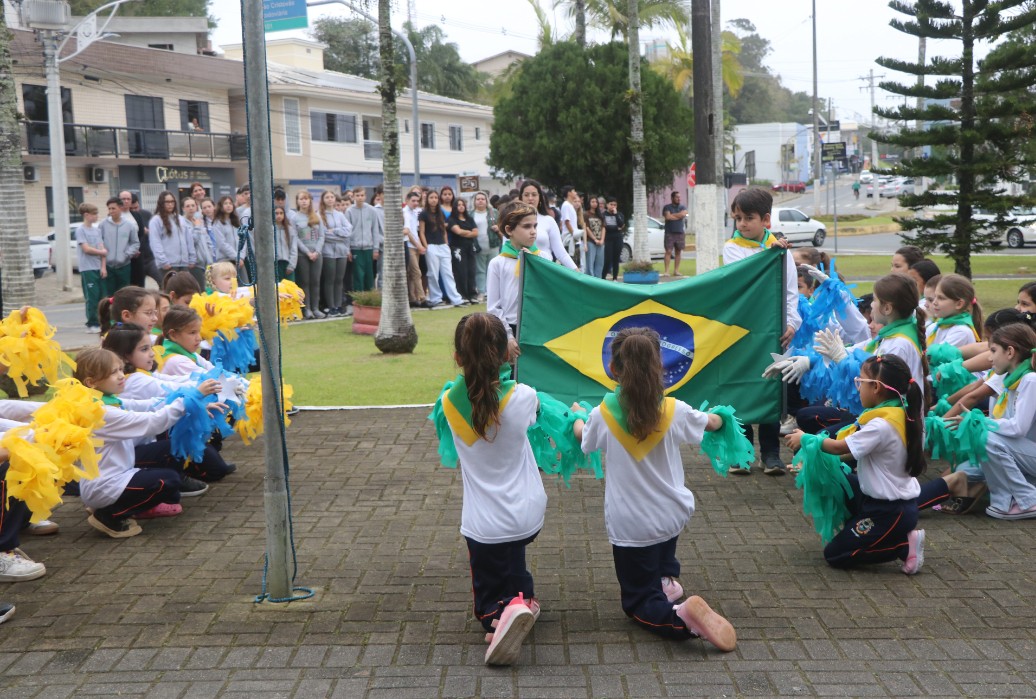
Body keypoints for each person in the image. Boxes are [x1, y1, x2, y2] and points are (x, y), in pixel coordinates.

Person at [574, 327, 737, 651]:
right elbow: (712, 423)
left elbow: (584, 438)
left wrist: (576, 417)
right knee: (660, 545)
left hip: (633, 524)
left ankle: (680, 618)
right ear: (658, 366)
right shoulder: (675, 409)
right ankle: (665, 579)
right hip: (671, 513)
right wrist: (719, 416)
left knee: (636, 602)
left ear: (614, 369)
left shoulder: (602, 415)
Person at [440, 313, 547, 666]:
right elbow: (514, 399)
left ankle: (497, 618)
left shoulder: (447, 404)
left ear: (457, 357)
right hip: (526, 518)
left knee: (487, 592)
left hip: (483, 526)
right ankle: (521, 600)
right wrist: (509, 359)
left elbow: (476, 394)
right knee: (514, 562)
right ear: (506, 353)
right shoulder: (526, 396)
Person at [785, 354, 927, 574]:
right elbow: (849, 453)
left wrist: (806, 440)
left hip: (890, 510)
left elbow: (840, 448)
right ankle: (866, 528)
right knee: (838, 479)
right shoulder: (896, 413)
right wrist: (812, 463)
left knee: (835, 555)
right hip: (878, 500)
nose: (857, 387)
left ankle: (903, 545)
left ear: (877, 388)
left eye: (860, 382)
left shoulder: (880, 425)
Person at [74, 348, 209, 537]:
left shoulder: (111, 402)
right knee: (167, 482)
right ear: (91, 382)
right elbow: (152, 422)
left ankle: (119, 506)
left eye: (121, 369)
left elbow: (153, 404)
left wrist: (196, 402)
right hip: (105, 486)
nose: (122, 376)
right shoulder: (101, 413)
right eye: (114, 373)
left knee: (171, 472)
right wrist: (193, 397)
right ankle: (109, 514)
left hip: (116, 476)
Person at [722, 188, 800, 475]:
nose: (742, 224)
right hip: (742, 332)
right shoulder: (732, 247)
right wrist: (769, 255)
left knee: (770, 390)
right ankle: (741, 454)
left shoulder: (782, 253)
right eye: (738, 218)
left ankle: (771, 454)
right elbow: (743, 277)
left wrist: (792, 323)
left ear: (766, 219)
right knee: (742, 390)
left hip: (773, 332)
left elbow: (791, 292)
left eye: (749, 218)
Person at [487, 201, 546, 360]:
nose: (533, 232)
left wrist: (533, 262)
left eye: (535, 226)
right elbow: (493, 307)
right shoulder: (498, 264)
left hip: (538, 328)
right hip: (509, 329)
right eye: (527, 227)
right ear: (509, 230)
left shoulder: (542, 258)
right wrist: (508, 336)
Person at [419, 190, 465, 308]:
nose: (434, 200)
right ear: (427, 200)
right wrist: (426, 246)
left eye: (435, 197)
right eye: (431, 197)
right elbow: (422, 232)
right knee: (433, 273)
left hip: (443, 246)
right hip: (431, 246)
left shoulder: (441, 213)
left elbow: (443, 230)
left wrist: (446, 244)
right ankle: (435, 298)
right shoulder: (423, 214)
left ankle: (456, 299)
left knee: (448, 273)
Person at [519, 180, 578, 270]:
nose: (530, 198)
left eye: (534, 195)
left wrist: (576, 271)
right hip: (521, 272)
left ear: (540, 197)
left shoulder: (549, 221)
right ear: (521, 197)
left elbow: (560, 253)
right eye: (526, 195)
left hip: (545, 271)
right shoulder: (513, 222)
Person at [318, 190, 352, 316]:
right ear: (323, 199)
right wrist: (340, 235)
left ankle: (338, 305)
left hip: (341, 251)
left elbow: (348, 230)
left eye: (332, 197)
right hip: (328, 252)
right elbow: (324, 235)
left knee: (339, 279)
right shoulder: (320, 215)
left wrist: (335, 231)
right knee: (330, 279)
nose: (330, 199)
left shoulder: (340, 215)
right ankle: (330, 306)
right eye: (327, 197)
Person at [344, 186, 383, 293]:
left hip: (369, 247)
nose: (360, 198)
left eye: (362, 195)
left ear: (365, 196)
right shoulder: (349, 211)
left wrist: (375, 249)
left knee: (369, 275)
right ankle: (358, 299)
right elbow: (347, 232)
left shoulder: (371, 210)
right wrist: (348, 250)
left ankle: (369, 298)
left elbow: (375, 230)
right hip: (355, 247)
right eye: (357, 195)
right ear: (353, 197)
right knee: (358, 275)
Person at [75, 202, 106, 332]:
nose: (96, 216)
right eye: (94, 214)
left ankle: (101, 322)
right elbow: (86, 249)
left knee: (102, 296)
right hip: (87, 268)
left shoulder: (97, 230)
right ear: (86, 215)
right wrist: (101, 252)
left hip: (98, 267)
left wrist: (103, 267)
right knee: (91, 297)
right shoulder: (80, 230)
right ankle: (92, 323)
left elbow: (101, 248)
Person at [99, 197, 140, 296]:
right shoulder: (103, 224)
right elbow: (99, 242)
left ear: (120, 208)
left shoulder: (129, 225)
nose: (111, 211)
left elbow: (135, 243)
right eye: (109, 209)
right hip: (108, 266)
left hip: (124, 266)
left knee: (123, 295)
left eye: (113, 208)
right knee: (108, 296)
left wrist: (127, 254)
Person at [927, 273, 983, 347]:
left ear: (959, 304)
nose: (934, 302)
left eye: (941, 298)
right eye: (935, 296)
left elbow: (935, 356)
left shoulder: (961, 332)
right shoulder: (935, 327)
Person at [149, 191, 196, 276]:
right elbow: (155, 242)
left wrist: (192, 258)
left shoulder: (180, 219)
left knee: (185, 289)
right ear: (161, 203)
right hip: (168, 264)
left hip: (183, 264)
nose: (170, 204)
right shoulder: (156, 220)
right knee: (170, 288)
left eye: (172, 202)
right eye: (167, 202)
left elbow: (189, 240)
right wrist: (163, 261)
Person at [294, 191, 324, 319]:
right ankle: (307, 309)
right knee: (305, 282)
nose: (304, 201)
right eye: (301, 199)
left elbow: (322, 236)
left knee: (316, 281)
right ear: (297, 201)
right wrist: (307, 252)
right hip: (303, 255)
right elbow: (295, 238)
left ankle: (316, 308)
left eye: (306, 199)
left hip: (317, 254)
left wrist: (316, 251)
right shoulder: (295, 217)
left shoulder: (317, 217)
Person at [121, 191, 157, 288]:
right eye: (123, 199)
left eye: (128, 199)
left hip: (138, 256)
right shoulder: (115, 216)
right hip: (121, 257)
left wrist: (136, 249)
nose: (126, 201)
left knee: (139, 286)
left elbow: (140, 234)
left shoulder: (137, 215)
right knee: (125, 286)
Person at [448, 197, 479, 303]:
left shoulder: (469, 219)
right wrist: (469, 233)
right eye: (458, 205)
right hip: (458, 248)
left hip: (470, 248)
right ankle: (462, 295)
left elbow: (476, 233)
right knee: (461, 272)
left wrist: (465, 232)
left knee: (471, 271)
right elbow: (458, 232)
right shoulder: (452, 219)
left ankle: (472, 295)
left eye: (462, 204)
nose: (461, 206)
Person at [471, 192, 499, 299]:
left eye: (483, 199)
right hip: (478, 246)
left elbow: (503, 224)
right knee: (480, 270)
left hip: (493, 244)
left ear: (487, 201)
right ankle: (481, 291)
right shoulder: (471, 214)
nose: (480, 201)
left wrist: (498, 227)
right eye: (478, 199)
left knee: (493, 269)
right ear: (474, 201)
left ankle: (492, 292)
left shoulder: (494, 213)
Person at [402, 190, 427, 308]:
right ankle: (422, 298)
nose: (416, 203)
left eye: (417, 201)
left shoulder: (414, 212)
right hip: (410, 245)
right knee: (417, 272)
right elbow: (408, 233)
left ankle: (413, 298)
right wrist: (419, 245)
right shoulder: (405, 213)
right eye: (413, 201)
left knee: (413, 274)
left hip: (415, 245)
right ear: (407, 201)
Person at [181, 197, 207, 289]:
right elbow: (192, 241)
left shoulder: (198, 220)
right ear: (183, 209)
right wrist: (197, 227)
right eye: (187, 206)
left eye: (193, 205)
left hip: (203, 261)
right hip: (193, 263)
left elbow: (204, 241)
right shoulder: (182, 223)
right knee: (199, 290)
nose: (191, 208)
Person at [661, 191, 689, 277]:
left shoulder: (683, 206)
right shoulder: (667, 207)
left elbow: (684, 214)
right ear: (672, 198)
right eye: (677, 197)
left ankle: (676, 271)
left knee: (678, 252)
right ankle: (666, 271)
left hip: (680, 232)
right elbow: (668, 217)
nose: (679, 199)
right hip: (669, 232)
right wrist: (678, 215)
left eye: (679, 197)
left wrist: (673, 215)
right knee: (668, 251)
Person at [601, 199, 625, 281]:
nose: (613, 206)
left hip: (618, 238)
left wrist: (616, 214)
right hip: (608, 238)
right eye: (611, 204)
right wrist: (616, 228)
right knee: (608, 259)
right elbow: (605, 227)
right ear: (607, 205)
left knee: (616, 259)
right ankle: (603, 277)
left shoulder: (619, 214)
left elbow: (621, 224)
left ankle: (615, 278)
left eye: (615, 205)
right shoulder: (604, 214)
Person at [212, 196, 241, 264]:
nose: (228, 205)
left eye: (230, 203)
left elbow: (242, 240)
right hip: (225, 260)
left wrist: (241, 256)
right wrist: (236, 256)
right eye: (225, 203)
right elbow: (221, 244)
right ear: (221, 206)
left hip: (239, 260)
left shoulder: (236, 222)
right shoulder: (217, 223)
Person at [273, 205, 298, 282]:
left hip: (287, 263)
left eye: (281, 213)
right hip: (275, 264)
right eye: (276, 213)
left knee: (290, 288)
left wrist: (291, 265)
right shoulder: (270, 230)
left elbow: (293, 248)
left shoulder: (290, 229)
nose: (279, 215)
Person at [583, 196, 605, 279]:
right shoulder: (586, 214)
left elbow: (603, 227)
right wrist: (595, 239)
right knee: (590, 263)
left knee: (600, 263)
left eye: (596, 202)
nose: (595, 203)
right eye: (592, 201)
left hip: (601, 242)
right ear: (589, 203)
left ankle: (598, 280)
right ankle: (590, 280)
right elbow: (586, 228)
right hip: (590, 241)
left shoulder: (600, 215)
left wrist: (602, 240)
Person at [559, 186, 581, 264]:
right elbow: (567, 222)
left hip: (574, 239)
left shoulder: (570, 205)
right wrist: (574, 234)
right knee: (569, 264)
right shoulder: (566, 205)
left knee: (576, 263)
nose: (575, 193)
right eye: (574, 191)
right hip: (569, 239)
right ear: (569, 193)